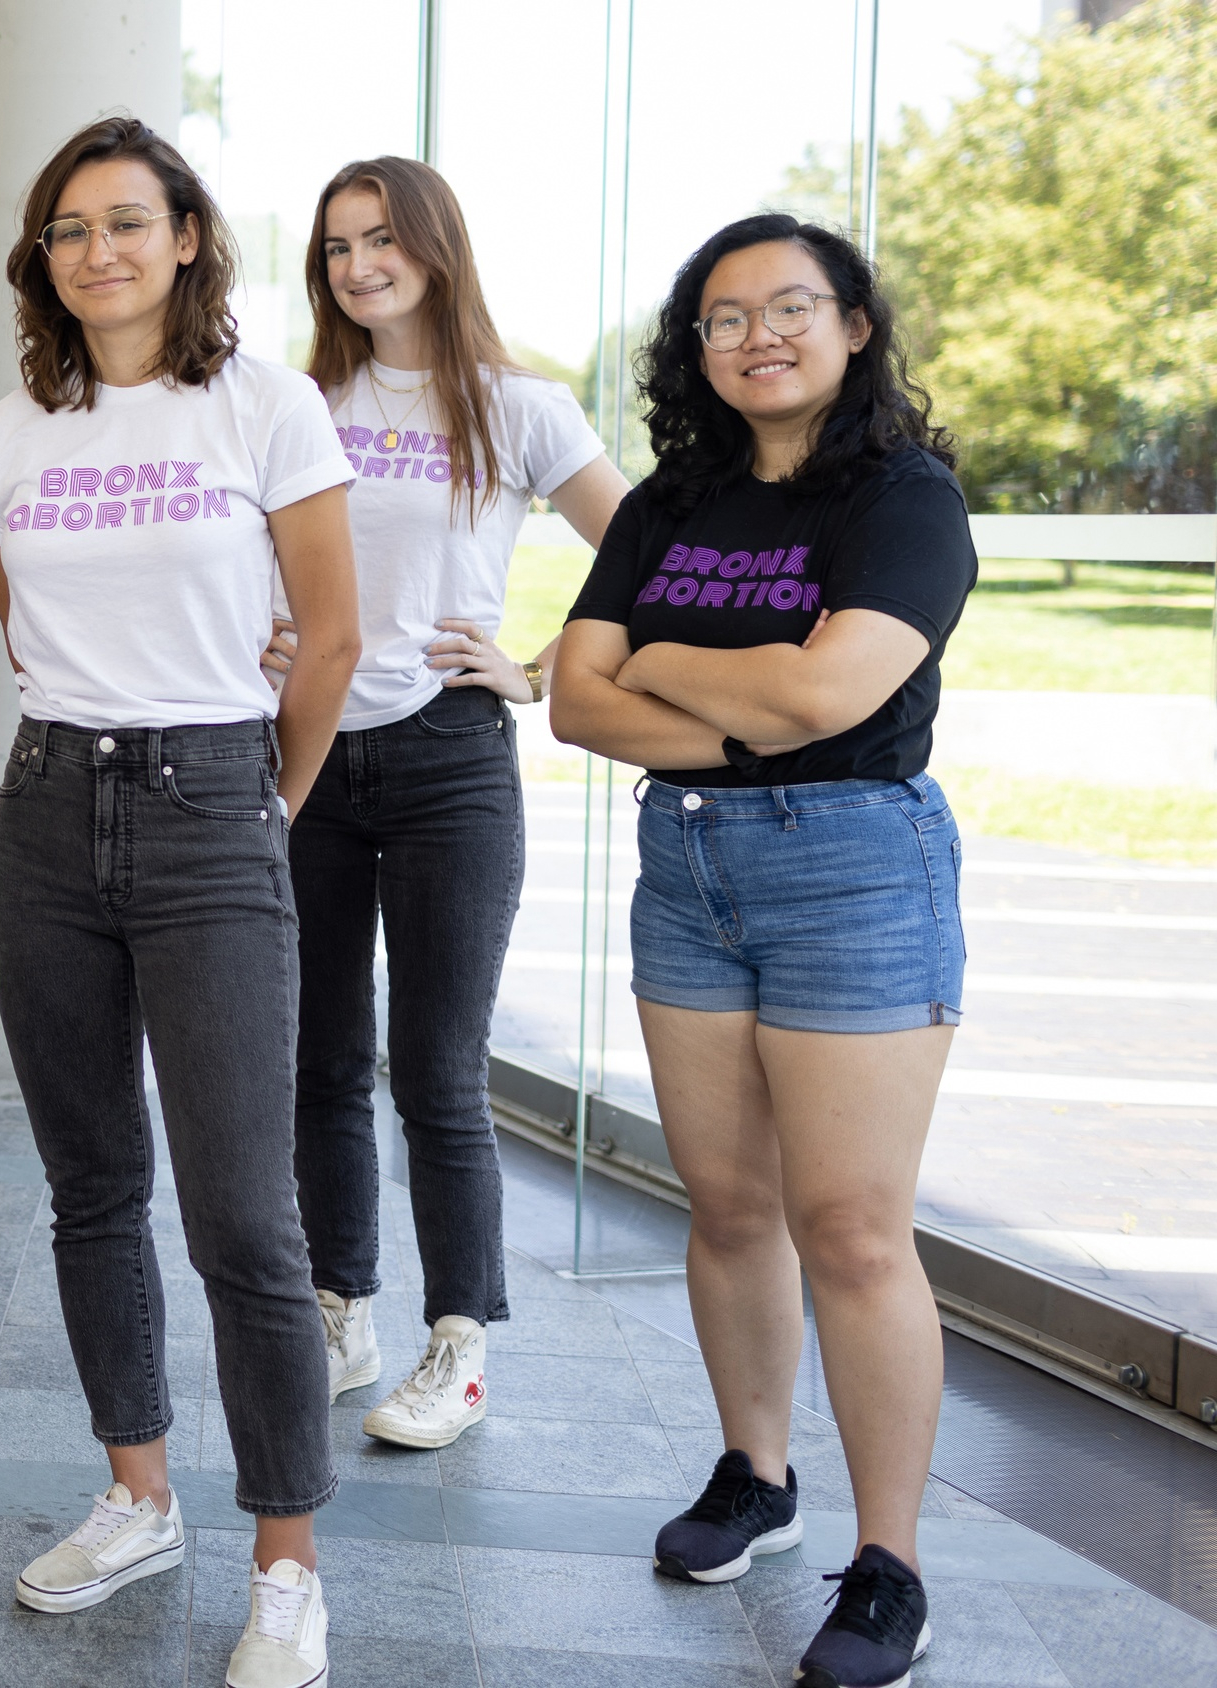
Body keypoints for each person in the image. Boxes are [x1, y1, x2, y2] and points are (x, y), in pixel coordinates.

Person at [549, 213, 972, 1688]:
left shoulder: (905, 498)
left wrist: (659, 662)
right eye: (726, 319)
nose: (760, 337)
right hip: (692, 868)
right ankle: (757, 1474)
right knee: (727, 1205)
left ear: (855, 325)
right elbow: (571, 705)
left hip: (855, 864)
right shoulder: (673, 498)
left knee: (852, 1229)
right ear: (698, 350)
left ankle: (890, 1564)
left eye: (792, 308)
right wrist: (754, 697)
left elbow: (839, 693)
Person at [0, 115, 359, 1688]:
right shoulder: (12, 429)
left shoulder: (263, 407)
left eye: (128, 223)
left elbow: (326, 638)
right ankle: (139, 1493)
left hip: (215, 807)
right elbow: (22, 635)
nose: (99, 253)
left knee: (246, 1222)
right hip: (48, 809)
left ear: (187, 237)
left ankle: (287, 1562)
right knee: (89, 1187)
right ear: (43, 259)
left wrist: (262, 808)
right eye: (69, 231)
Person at [283, 156, 628, 1448]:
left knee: (435, 1068)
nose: (359, 266)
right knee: (322, 1056)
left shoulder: (515, 405)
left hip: (449, 761)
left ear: (436, 246)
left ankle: (458, 1346)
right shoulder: (298, 399)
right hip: (311, 753)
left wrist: (534, 669)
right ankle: (339, 1304)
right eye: (335, 248)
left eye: (381, 240)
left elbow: (648, 556)